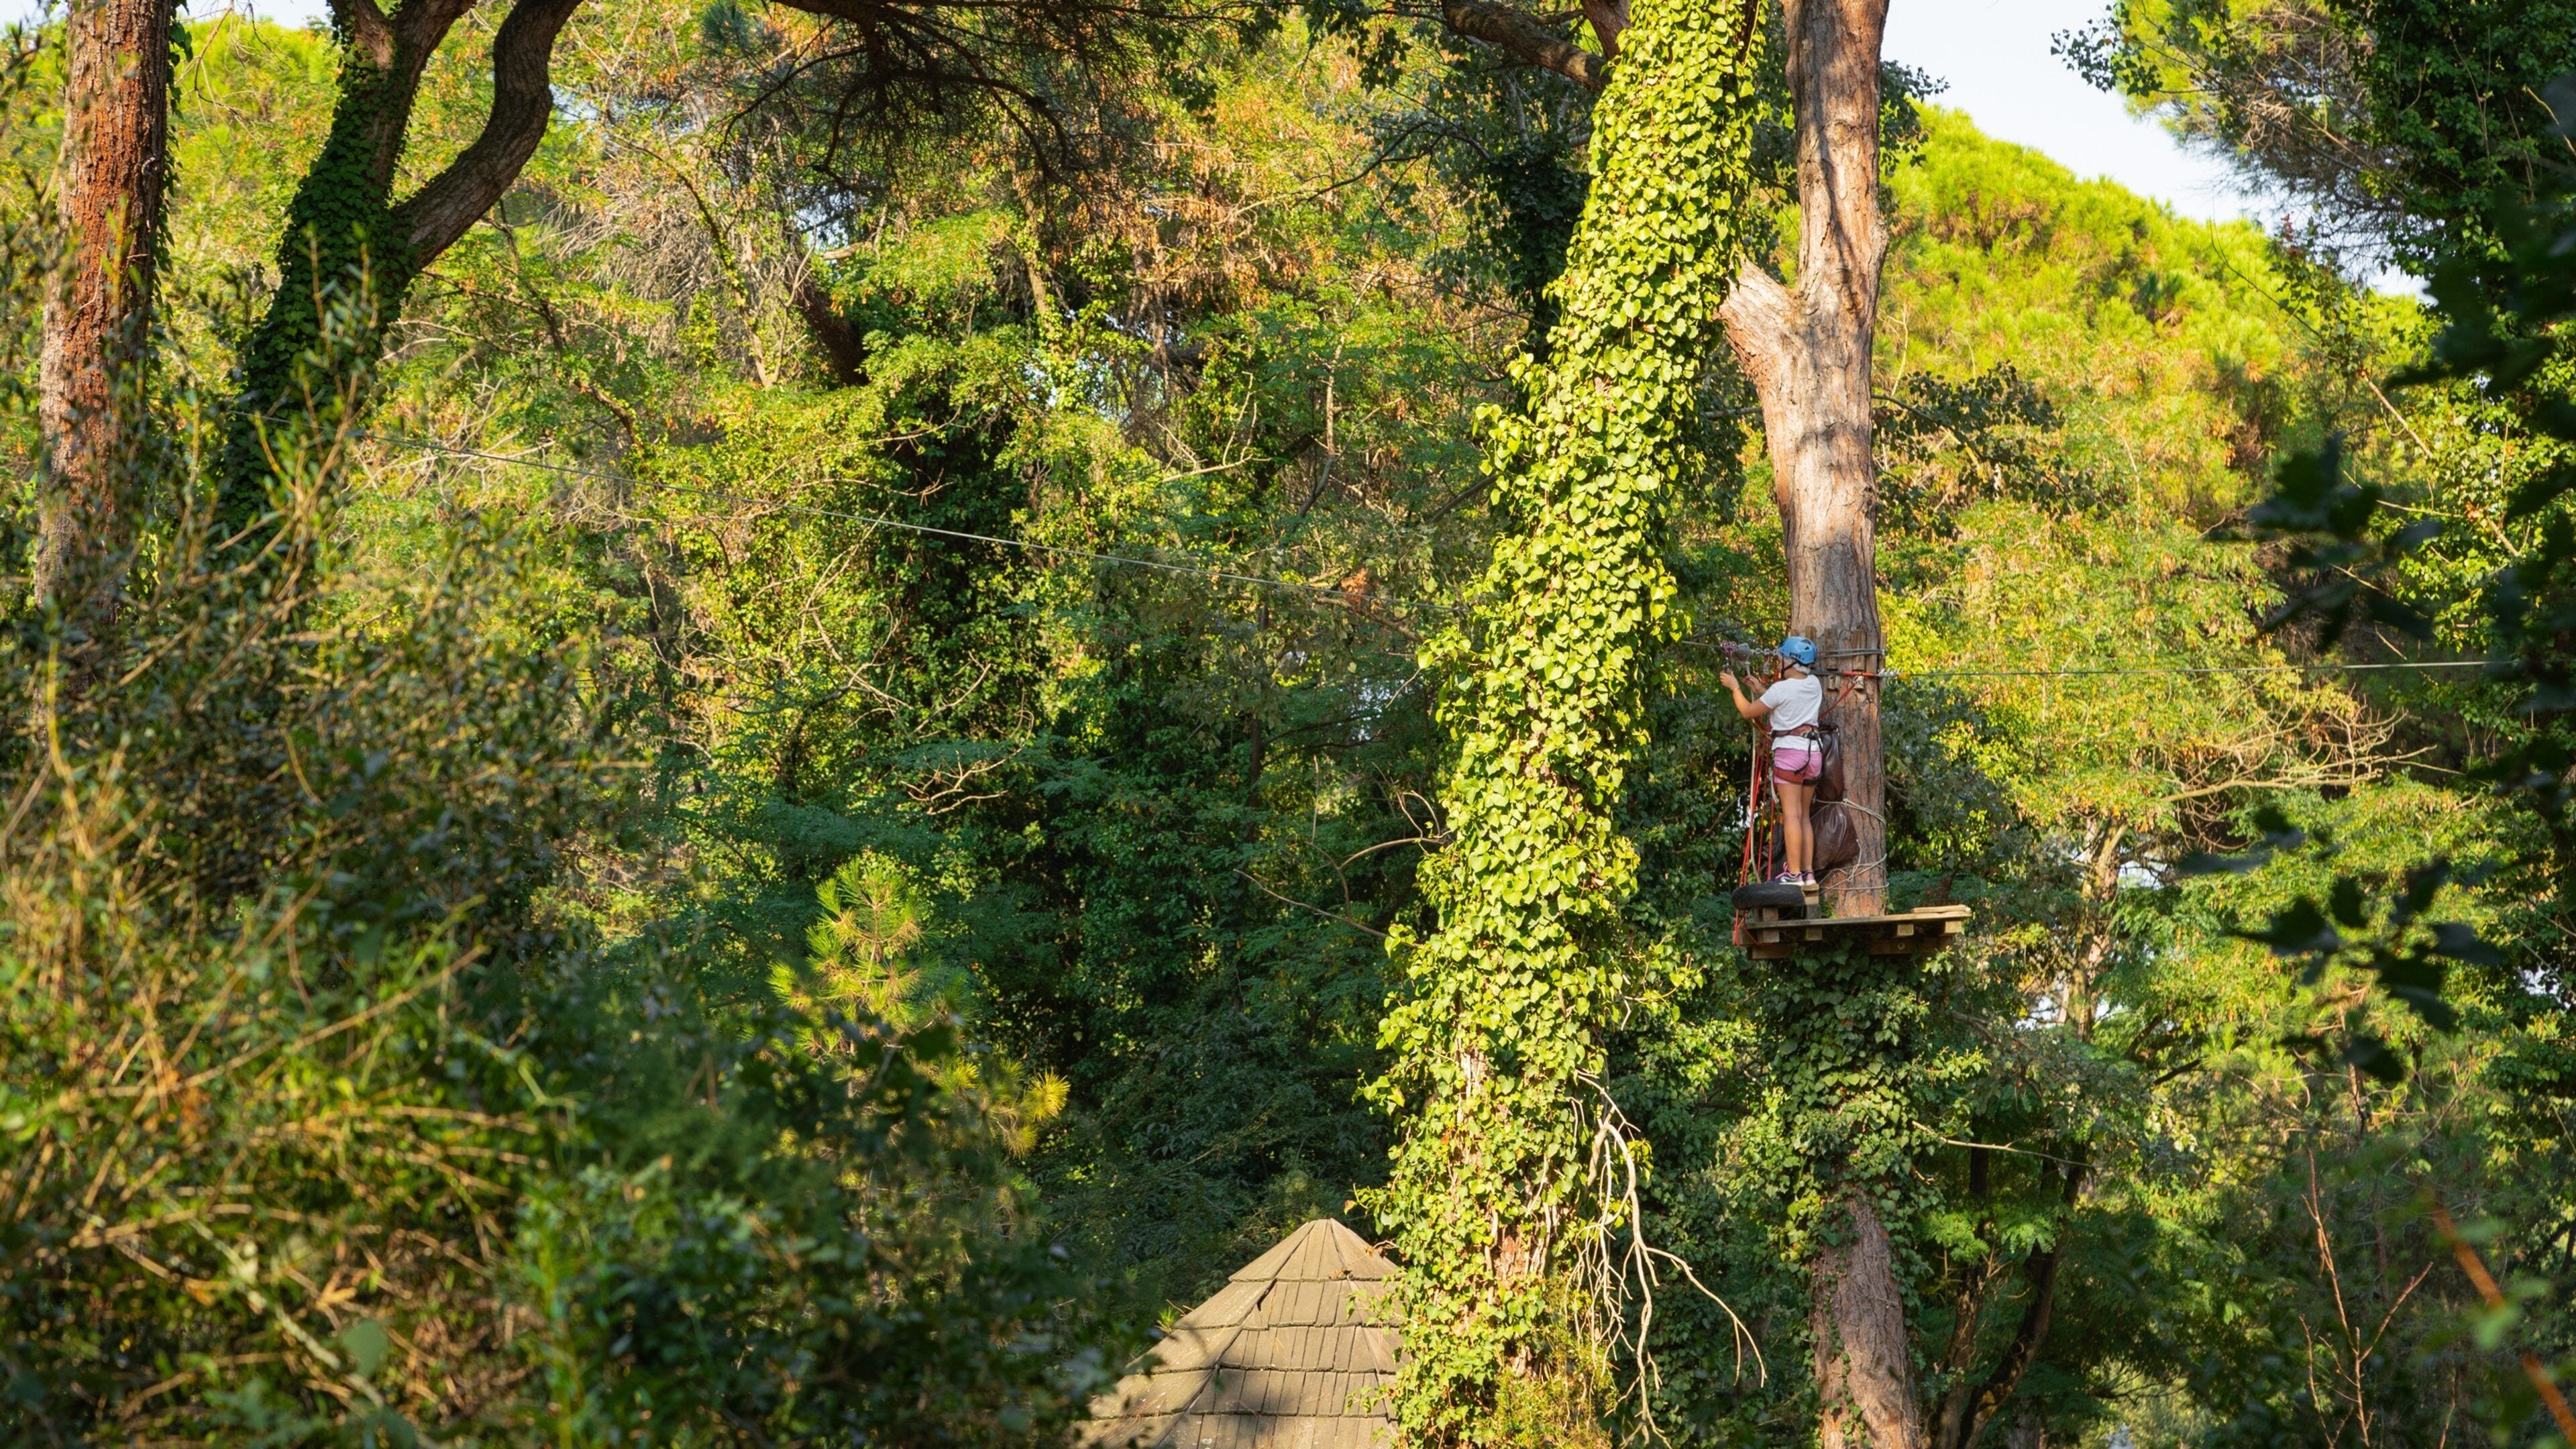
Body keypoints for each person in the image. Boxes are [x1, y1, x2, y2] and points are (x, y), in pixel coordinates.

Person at [1721, 635, 1826, 886]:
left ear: (1791, 662)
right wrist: (1761, 691)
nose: (1779, 662)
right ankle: (1808, 875)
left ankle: (1793, 875)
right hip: (1813, 753)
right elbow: (1789, 702)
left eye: (1782, 658)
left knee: (1790, 815)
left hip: (1790, 754)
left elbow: (1748, 711)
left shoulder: (1781, 689)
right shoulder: (1814, 684)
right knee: (1803, 816)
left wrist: (1735, 687)